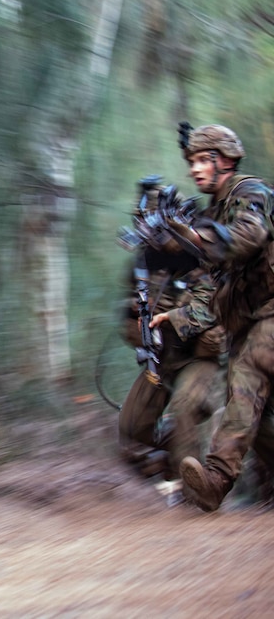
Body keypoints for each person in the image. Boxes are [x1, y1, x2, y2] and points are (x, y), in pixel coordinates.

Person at [149, 124, 274, 511]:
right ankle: (230, 483)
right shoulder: (213, 210)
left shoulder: (251, 193)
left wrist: (196, 234)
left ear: (227, 161)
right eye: (191, 162)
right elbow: (203, 274)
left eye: (204, 160)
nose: (195, 169)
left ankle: (216, 480)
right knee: (258, 418)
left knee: (247, 380)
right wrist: (164, 234)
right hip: (246, 322)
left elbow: (247, 236)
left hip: (269, 314)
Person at [117, 252, 226, 483]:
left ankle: (194, 488)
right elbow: (129, 307)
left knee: (184, 406)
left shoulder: (202, 260)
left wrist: (170, 316)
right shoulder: (144, 265)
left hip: (199, 359)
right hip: (162, 358)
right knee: (132, 427)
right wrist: (137, 319)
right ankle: (171, 454)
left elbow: (212, 309)